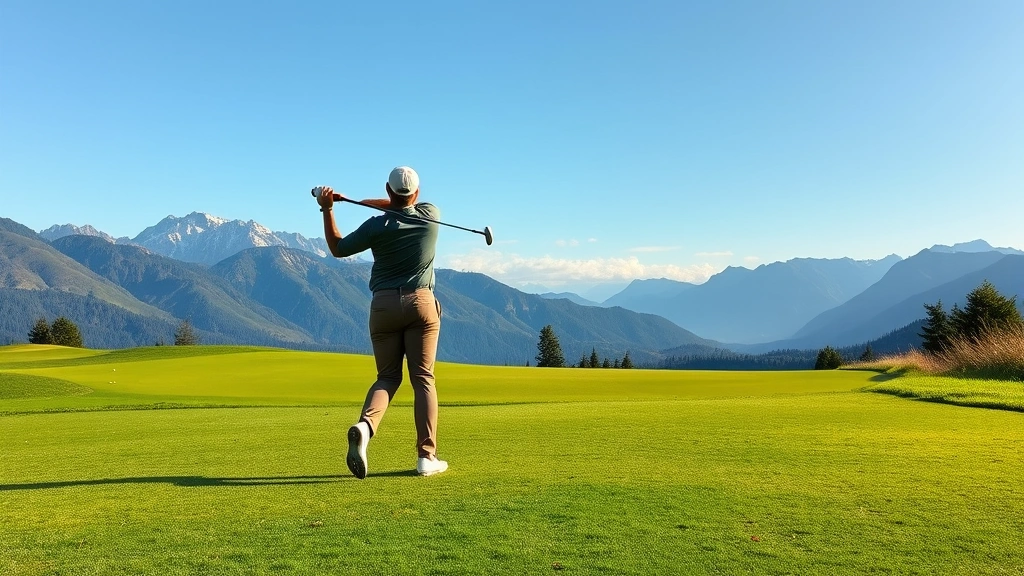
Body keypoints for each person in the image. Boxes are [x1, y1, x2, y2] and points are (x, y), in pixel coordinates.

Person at [315, 166, 448, 479]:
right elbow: (403, 203)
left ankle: (365, 427)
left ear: (388, 191)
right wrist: (359, 200)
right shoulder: (431, 214)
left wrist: (329, 208)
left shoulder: (375, 226)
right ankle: (426, 457)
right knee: (422, 378)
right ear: (416, 193)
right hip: (421, 305)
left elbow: (337, 248)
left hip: (384, 306)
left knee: (387, 377)